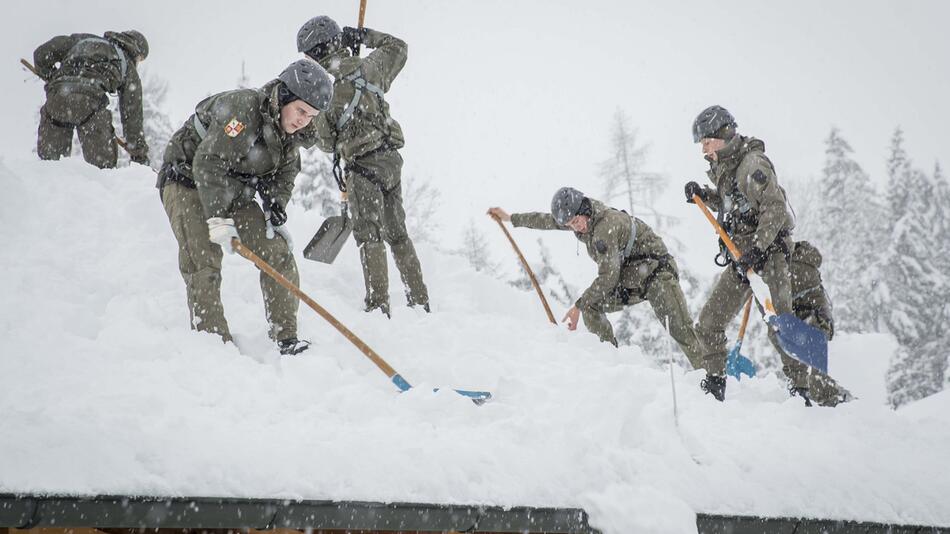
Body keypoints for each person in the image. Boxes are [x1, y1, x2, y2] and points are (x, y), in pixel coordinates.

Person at [155, 59, 333, 355]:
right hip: (186, 180)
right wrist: (217, 218)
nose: (304, 120)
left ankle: (285, 338)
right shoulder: (242, 110)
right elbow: (207, 163)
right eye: (301, 110)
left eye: (311, 115)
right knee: (204, 260)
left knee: (277, 253)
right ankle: (214, 347)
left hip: (234, 189)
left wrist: (276, 205)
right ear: (284, 96)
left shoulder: (294, 133)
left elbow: (286, 172)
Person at [295, 16, 429, 317]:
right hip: (391, 162)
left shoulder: (324, 91)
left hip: (363, 168)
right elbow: (398, 47)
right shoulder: (370, 67)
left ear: (316, 53)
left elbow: (327, 142)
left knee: (370, 237)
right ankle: (420, 301)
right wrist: (365, 37)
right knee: (398, 233)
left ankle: (378, 306)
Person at [487, 188, 706, 370]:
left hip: (657, 275)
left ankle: (711, 381)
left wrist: (577, 306)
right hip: (630, 280)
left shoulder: (604, 228)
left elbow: (608, 278)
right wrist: (510, 218)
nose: (576, 227)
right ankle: (612, 364)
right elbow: (546, 220)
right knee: (592, 307)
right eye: (571, 225)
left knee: (682, 331)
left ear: (583, 209)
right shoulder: (582, 217)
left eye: (576, 221)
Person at [685, 105, 805, 403]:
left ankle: (803, 391)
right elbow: (734, 205)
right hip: (743, 257)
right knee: (709, 322)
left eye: (706, 141)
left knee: (781, 326)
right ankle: (714, 384)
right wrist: (703, 194)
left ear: (723, 135)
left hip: (769, 255)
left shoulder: (752, 165)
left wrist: (759, 248)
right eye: (701, 144)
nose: (703, 149)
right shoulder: (725, 167)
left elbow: (774, 209)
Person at [33, 30, 150, 168]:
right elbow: (132, 115)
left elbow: (41, 55)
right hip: (90, 108)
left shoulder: (81, 40)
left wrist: (54, 79)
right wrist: (138, 153)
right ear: (136, 51)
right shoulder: (127, 65)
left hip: (57, 101)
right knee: (102, 174)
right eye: (140, 60)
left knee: (51, 169)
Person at [788, 240, 852, 407]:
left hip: (814, 320)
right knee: (817, 366)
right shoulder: (808, 265)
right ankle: (826, 394)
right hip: (820, 320)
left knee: (814, 369)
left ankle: (824, 396)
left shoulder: (793, 268)